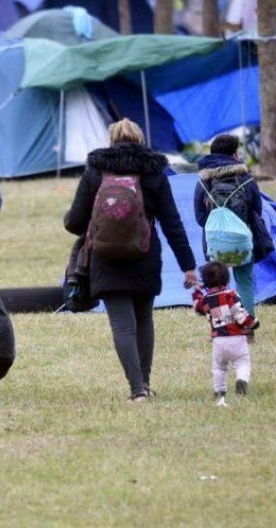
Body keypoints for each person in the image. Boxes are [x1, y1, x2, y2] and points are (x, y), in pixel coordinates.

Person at [64, 119, 197, 402]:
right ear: (140, 138)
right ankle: (145, 384)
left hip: (104, 257)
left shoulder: (95, 171)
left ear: (111, 140)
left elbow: (75, 222)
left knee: (122, 326)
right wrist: (188, 265)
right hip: (145, 254)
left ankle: (136, 389)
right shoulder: (154, 171)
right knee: (144, 319)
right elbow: (172, 222)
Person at [193, 134, 273, 318]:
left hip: (215, 245)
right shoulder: (247, 180)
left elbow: (200, 218)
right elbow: (257, 212)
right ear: (234, 154)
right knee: (244, 282)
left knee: (217, 285)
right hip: (243, 242)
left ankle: (223, 324)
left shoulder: (203, 183)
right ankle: (247, 328)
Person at [192, 261, 258, 405]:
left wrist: (197, 291)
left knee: (219, 368)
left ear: (206, 282)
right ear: (227, 279)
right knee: (242, 363)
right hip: (237, 338)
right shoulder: (230, 296)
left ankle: (219, 391)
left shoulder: (206, 300)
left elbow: (197, 307)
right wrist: (253, 323)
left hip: (218, 341)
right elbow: (239, 315)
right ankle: (241, 380)